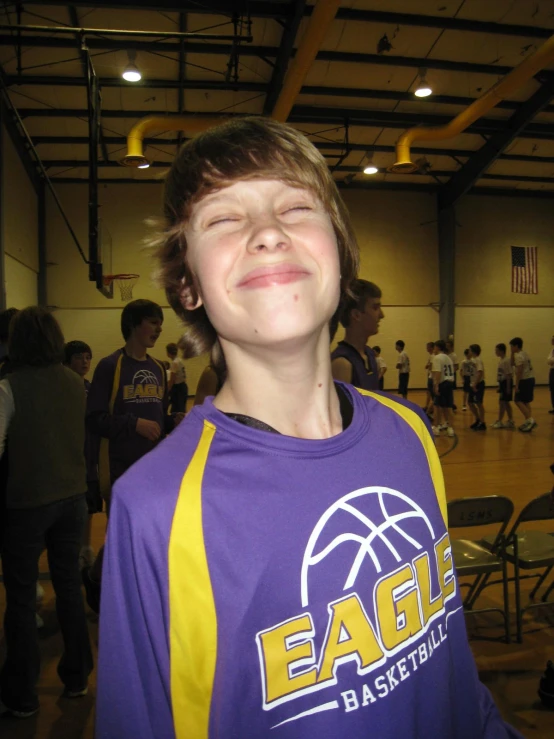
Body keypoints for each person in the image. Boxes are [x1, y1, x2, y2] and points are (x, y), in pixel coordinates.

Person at [95, 117, 521, 739]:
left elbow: (454, 676)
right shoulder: (156, 508)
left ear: (342, 260)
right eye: (223, 218)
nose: (267, 231)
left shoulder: (409, 435)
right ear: (187, 285)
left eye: (296, 207)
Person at [0, 307, 93, 718]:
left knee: (20, 600)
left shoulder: (9, 387)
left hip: (26, 503)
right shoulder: (75, 383)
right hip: (72, 498)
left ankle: (22, 695)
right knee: (68, 587)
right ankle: (77, 677)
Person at [83, 299, 179, 611]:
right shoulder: (111, 366)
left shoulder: (157, 368)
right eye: (152, 321)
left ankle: (137, 596)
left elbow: (157, 418)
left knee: (148, 537)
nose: (159, 328)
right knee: (122, 538)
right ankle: (99, 585)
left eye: (159, 322)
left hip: (152, 471)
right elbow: (95, 418)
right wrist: (133, 424)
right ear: (133, 325)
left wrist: (174, 422)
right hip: (121, 469)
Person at [64, 340, 101, 568]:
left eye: (88, 357)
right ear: (67, 361)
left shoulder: (90, 388)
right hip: (68, 457)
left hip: (89, 456)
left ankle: (86, 548)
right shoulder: (60, 388)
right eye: (79, 357)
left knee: (89, 505)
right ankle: (69, 551)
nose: (85, 362)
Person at [331, 279, 384, 391]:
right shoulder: (342, 363)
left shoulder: (369, 354)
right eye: (375, 307)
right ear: (356, 315)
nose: (381, 315)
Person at [509, 337, 536, 432]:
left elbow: (519, 371)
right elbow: (512, 363)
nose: (511, 348)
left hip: (524, 380)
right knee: (525, 401)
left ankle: (530, 419)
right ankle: (528, 421)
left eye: (512, 347)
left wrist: (516, 385)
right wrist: (512, 353)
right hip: (530, 379)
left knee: (518, 400)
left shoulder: (519, 356)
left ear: (516, 346)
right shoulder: (524, 354)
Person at [431, 340, 455, 438]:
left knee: (437, 406)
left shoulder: (437, 358)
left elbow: (438, 372)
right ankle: (450, 428)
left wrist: (436, 385)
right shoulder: (448, 358)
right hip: (449, 383)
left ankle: (435, 427)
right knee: (448, 407)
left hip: (442, 383)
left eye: (435, 347)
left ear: (438, 347)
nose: (434, 349)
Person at [491, 344, 514, 430]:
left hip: (506, 383)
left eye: (496, 350)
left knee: (502, 403)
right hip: (502, 383)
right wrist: (500, 386)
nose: (495, 352)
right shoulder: (501, 360)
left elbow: (509, 375)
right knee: (506, 402)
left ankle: (500, 421)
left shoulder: (506, 361)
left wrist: (508, 387)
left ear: (501, 351)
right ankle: (510, 420)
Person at [468, 344, 486, 431]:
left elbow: (480, 372)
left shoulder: (478, 360)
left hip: (478, 384)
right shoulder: (472, 360)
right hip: (472, 383)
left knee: (479, 403)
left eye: (470, 350)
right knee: (470, 403)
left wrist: (475, 384)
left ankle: (482, 422)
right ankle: (478, 419)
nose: (469, 352)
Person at [166, 342, 188, 413]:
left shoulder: (174, 363)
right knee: (181, 408)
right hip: (183, 386)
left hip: (177, 389)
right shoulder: (180, 360)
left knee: (177, 410)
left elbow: (172, 379)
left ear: (169, 352)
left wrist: (168, 390)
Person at [445, 340, 459, 412]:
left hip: (451, 375)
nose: (446, 347)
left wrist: (450, 372)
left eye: (448, 346)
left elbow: (457, 366)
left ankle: (451, 405)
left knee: (451, 391)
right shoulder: (444, 355)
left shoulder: (453, 355)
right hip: (444, 375)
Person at [423, 341, 435, 419]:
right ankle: (428, 408)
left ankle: (429, 411)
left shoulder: (433, 356)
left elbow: (430, 366)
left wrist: (429, 366)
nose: (426, 348)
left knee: (434, 397)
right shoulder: (431, 356)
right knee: (429, 393)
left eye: (427, 347)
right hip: (430, 376)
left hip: (433, 377)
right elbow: (427, 366)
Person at [547, 334, 554, 414]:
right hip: (552, 371)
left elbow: (551, 360)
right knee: (552, 389)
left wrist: (551, 360)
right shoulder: (552, 350)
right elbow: (548, 360)